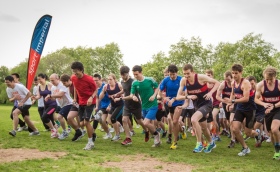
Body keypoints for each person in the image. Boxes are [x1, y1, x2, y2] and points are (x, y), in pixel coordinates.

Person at [175, 64, 219, 153]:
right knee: (204, 128)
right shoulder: (183, 81)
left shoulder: (200, 77)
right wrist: (188, 96)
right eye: (184, 74)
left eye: (188, 74)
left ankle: (199, 144)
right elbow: (178, 96)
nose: (186, 76)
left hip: (207, 104)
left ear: (193, 72)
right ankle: (211, 142)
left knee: (194, 120)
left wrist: (210, 93)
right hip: (197, 106)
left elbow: (217, 83)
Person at [225, 64, 259, 156]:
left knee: (248, 133)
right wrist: (229, 103)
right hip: (240, 108)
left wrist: (233, 101)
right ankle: (245, 147)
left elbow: (246, 98)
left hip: (250, 109)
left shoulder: (246, 83)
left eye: (236, 73)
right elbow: (232, 94)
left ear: (241, 73)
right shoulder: (233, 83)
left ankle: (258, 134)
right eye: (233, 73)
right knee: (235, 128)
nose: (234, 75)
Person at [114, 66, 147, 145]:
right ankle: (128, 138)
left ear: (128, 73)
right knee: (124, 120)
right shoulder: (122, 81)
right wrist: (117, 94)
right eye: (121, 75)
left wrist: (136, 97)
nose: (122, 77)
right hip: (127, 105)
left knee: (139, 121)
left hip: (135, 105)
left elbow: (137, 92)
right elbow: (124, 90)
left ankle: (146, 130)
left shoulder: (133, 82)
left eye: (124, 75)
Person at [130, 65, 161, 147]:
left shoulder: (149, 80)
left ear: (141, 72)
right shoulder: (134, 83)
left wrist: (154, 95)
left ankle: (157, 134)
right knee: (149, 124)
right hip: (144, 106)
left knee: (145, 123)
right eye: (134, 75)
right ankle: (156, 139)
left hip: (153, 105)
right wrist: (133, 97)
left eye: (136, 74)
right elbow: (131, 94)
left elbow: (157, 87)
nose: (135, 76)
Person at [254, 66, 280, 160]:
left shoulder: (278, 84)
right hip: (268, 110)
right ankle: (277, 150)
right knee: (271, 133)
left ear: (275, 77)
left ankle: (278, 151)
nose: (269, 81)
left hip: (278, 108)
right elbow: (256, 99)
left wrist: (274, 105)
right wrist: (264, 104)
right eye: (267, 79)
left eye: (271, 79)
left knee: (275, 129)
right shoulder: (260, 85)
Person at [71, 61, 97, 150]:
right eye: (73, 71)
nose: (75, 73)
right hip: (81, 103)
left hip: (90, 102)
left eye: (76, 71)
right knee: (81, 123)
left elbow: (96, 90)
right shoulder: (73, 78)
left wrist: (91, 97)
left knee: (86, 122)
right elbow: (75, 87)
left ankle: (90, 143)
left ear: (81, 70)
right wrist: (75, 98)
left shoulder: (89, 79)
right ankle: (95, 118)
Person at [159, 64, 185, 149]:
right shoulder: (166, 80)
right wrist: (164, 98)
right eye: (170, 74)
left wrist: (174, 99)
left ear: (177, 73)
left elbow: (183, 93)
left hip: (179, 102)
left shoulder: (181, 79)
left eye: (173, 74)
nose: (172, 76)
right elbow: (160, 91)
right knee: (175, 123)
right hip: (170, 103)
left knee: (174, 121)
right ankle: (182, 131)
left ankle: (175, 142)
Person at [46, 74, 73, 140]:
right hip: (61, 105)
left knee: (59, 117)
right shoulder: (53, 88)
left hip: (68, 103)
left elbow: (60, 94)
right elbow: (54, 98)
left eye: (53, 80)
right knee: (69, 120)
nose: (52, 82)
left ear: (58, 79)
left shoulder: (62, 85)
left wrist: (51, 96)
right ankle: (79, 130)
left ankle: (64, 132)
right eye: (50, 80)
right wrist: (49, 97)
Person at [99, 73, 124, 141]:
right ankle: (120, 126)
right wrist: (103, 91)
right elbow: (100, 97)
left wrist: (119, 96)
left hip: (120, 105)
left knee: (113, 118)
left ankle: (117, 135)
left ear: (114, 80)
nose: (109, 81)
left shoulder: (118, 85)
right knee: (109, 121)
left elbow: (124, 92)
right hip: (113, 105)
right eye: (108, 79)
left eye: (111, 79)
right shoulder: (106, 87)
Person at [32, 73, 58, 138]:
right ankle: (57, 134)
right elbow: (39, 96)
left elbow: (56, 93)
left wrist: (50, 96)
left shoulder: (49, 85)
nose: (39, 81)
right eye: (38, 79)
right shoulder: (39, 86)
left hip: (53, 105)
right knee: (51, 120)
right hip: (46, 105)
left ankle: (53, 130)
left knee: (44, 117)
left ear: (44, 78)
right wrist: (35, 98)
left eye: (40, 79)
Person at [60, 74, 84, 141]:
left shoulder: (75, 84)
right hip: (76, 104)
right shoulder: (69, 86)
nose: (64, 85)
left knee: (84, 122)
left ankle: (92, 134)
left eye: (64, 83)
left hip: (83, 104)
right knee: (69, 117)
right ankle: (78, 132)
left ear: (69, 80)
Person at [216, 71, 236, 148]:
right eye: (225, 79)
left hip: (235, 104)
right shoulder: (223, 84)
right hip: (226, 104)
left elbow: (238, 95)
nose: (227, 81)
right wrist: (224, 101)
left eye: (228, 79)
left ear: (232, 78)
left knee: (232, 121)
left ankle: (233, 139)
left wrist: (232, 102)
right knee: (228, 121)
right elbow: (217, 96)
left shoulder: (235, 84)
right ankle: (234, 134)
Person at [93, 74, 112, 140]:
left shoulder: (106, 86)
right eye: (94, 81)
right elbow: (97, 98)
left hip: (111, 105)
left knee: (111, 121)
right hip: (103, 107)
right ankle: (108, 134)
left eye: (97, 80)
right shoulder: (96, 88)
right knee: (102, 121)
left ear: (100, 80)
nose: (95, 82)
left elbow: (111, 96)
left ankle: (120, 129)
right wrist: (97, 106)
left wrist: (110, 105)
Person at [205, 69, 221, 141]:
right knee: (210, 119)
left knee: (213, 117)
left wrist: (221, 102)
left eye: (209, 75)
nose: (207, 77)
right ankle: (214, 134)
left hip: (216, 104)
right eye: (206, 75)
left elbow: (221, 94)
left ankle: (216, 134)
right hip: (208, 104)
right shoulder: (204, 85)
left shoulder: (216, 84)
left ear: (212, 76)